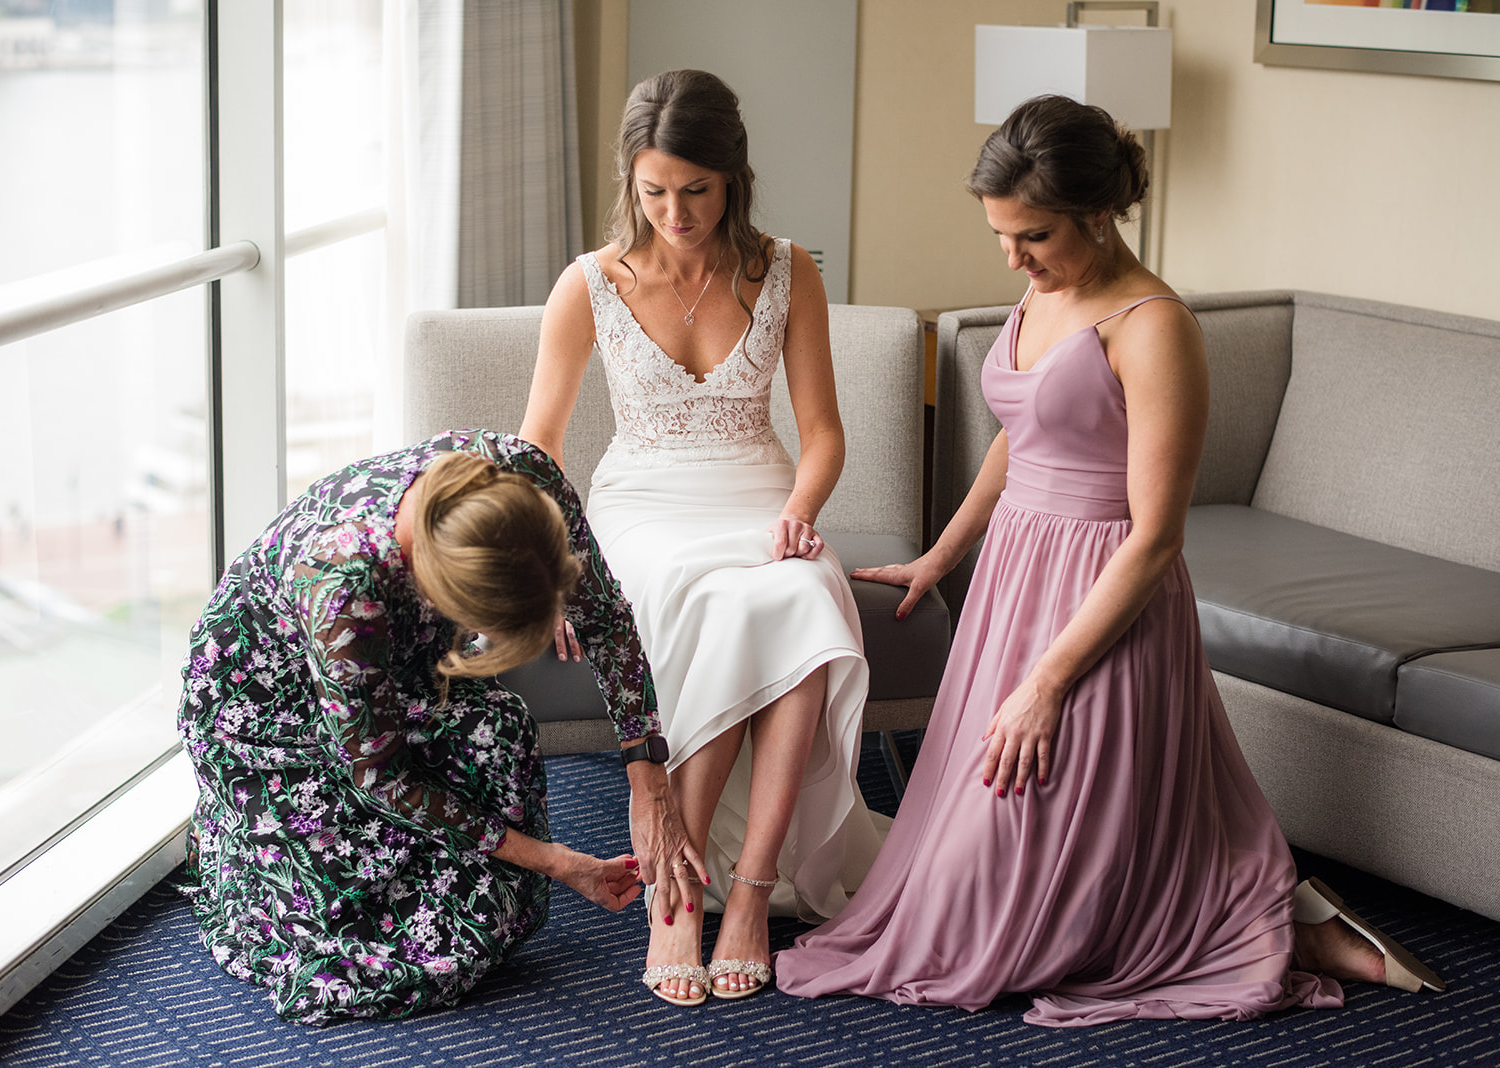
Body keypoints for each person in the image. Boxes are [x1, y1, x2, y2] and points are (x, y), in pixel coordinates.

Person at [775, 95, 1444, 1025]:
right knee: (956, 878)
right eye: (1002, 234)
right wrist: (942, 554)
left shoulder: (1153, 326)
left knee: (1001, 891)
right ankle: (1267, 905)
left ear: (1097, 213)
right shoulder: (1043, 289)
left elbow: (1157, 537)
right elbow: (1023, 431)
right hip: (1016, 580)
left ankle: (1273, 922)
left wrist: (1049, 681)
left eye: (1033, 234)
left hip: (1103, 597)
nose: (1013, 256)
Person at [518, 69, 884, 1006]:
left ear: (734, 178)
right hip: (643, 504)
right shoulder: (589, 283)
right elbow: (539, 447)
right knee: (712, 593)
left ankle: (754, 890)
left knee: (800, 591)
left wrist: (801, 509)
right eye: (653, 192)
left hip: (759, 493)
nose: (674, 214)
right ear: (629, 185)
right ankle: (675, 896)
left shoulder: (787, 269)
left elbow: (825, 431)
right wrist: (560, 569)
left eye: (696, 191)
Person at [178, 429, 694, 1024]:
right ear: (442, 598)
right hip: (270, 716)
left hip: (392, 674)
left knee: (501, 734)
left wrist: (648, 778)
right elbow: (383, 779)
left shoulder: (524, 475)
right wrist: (556, 860)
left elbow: (604, 619)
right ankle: (238, 845)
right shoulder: (341, 584)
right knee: (436, 946)